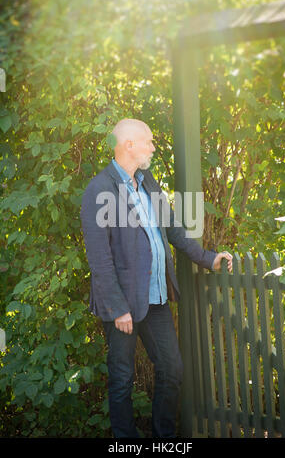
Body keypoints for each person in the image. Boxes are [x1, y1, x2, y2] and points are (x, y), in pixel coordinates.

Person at [80, 118, 233, 438]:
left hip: (157, 298)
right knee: (121, 378)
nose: (153, 146)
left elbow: (174, 230)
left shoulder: (147, 181)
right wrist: (118, 307)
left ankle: (164, 437)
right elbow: (99, 258)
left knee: (172, 370)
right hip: (122, 304)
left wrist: (208, 258)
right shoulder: (100, 189)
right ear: (129, 145)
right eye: (148, 141)